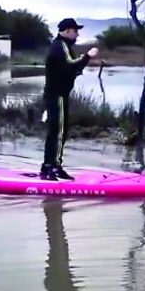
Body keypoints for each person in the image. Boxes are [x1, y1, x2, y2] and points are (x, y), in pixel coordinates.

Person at [41, 18, 97, 181]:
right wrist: (87, 56)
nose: (77, 34)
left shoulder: (62, 46)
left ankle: (51, 166)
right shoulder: (60, 46)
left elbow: (71, 69)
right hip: (56, 95)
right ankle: (52, 167)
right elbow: (70, 66)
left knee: (58, 131)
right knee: (58, 132)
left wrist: (82, 62)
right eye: (75, 31)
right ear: (67, 31)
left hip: (59, 94)